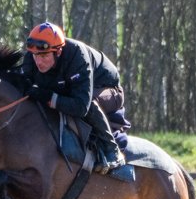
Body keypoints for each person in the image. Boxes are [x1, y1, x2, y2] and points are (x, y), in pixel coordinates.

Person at [21, 22, 128, 173]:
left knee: (89, 102)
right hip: (73, 88)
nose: (38, 62)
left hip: (108, 89)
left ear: (58, 52)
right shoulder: (33, 56)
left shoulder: (78, 55)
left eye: (44, 56)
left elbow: (81, 106)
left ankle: (112, 150)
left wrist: (48, 97)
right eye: (35, 55)